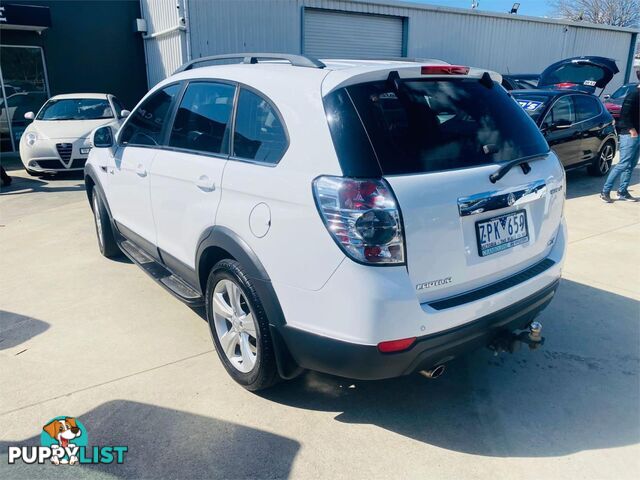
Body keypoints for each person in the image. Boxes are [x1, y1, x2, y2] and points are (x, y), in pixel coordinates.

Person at [601, 84, 639, 202]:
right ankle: (605, 192)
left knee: (631, 165)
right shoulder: (633, 95)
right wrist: (632, 130)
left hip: (638, 135)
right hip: (629, 135)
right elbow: (624, 115)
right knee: (623, 164)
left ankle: (622, 192)